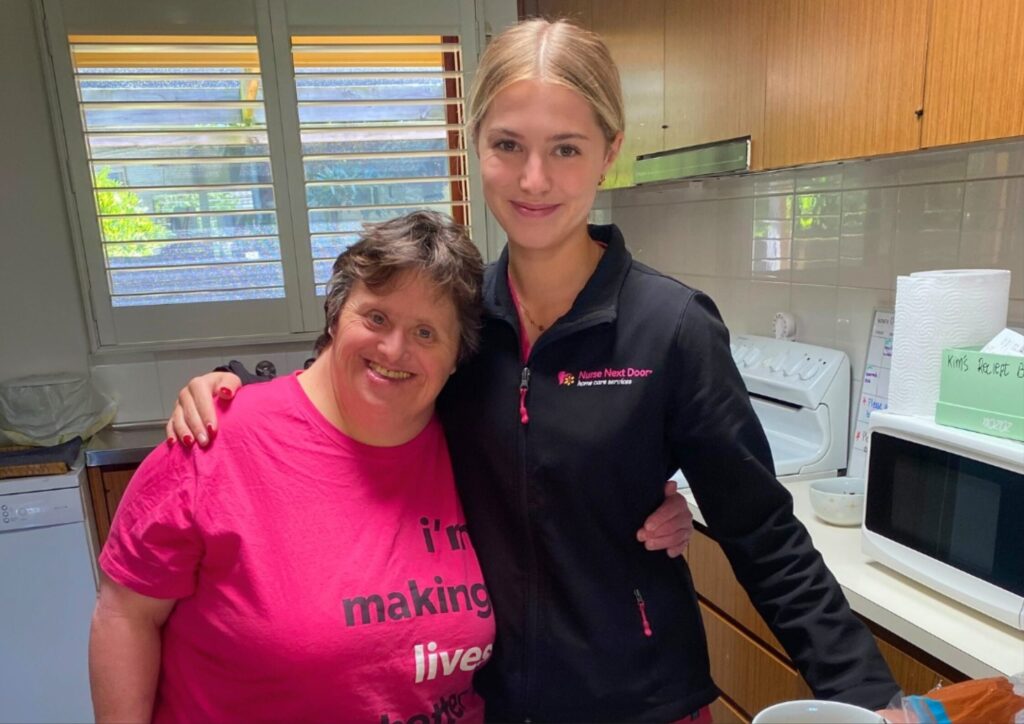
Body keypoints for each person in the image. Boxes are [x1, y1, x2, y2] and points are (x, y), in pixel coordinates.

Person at [166, 18, 900, 722]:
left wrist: (870, 696)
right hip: (482, 701)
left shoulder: (670, 328)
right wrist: (231, 397)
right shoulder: (455, 324)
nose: (535, 178)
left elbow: (762, 530)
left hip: (640, 702)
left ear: (610, 150)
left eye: (567, 149)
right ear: (476, 143)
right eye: (509, 144)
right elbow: (342, 406)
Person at [90, 212, 499, 723]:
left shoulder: (474, 448)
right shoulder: (214, 442)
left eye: (426, 332)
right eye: (375, 318)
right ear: (335, 315)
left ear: (459, 354)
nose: (394, 349)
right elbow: (126, 615)